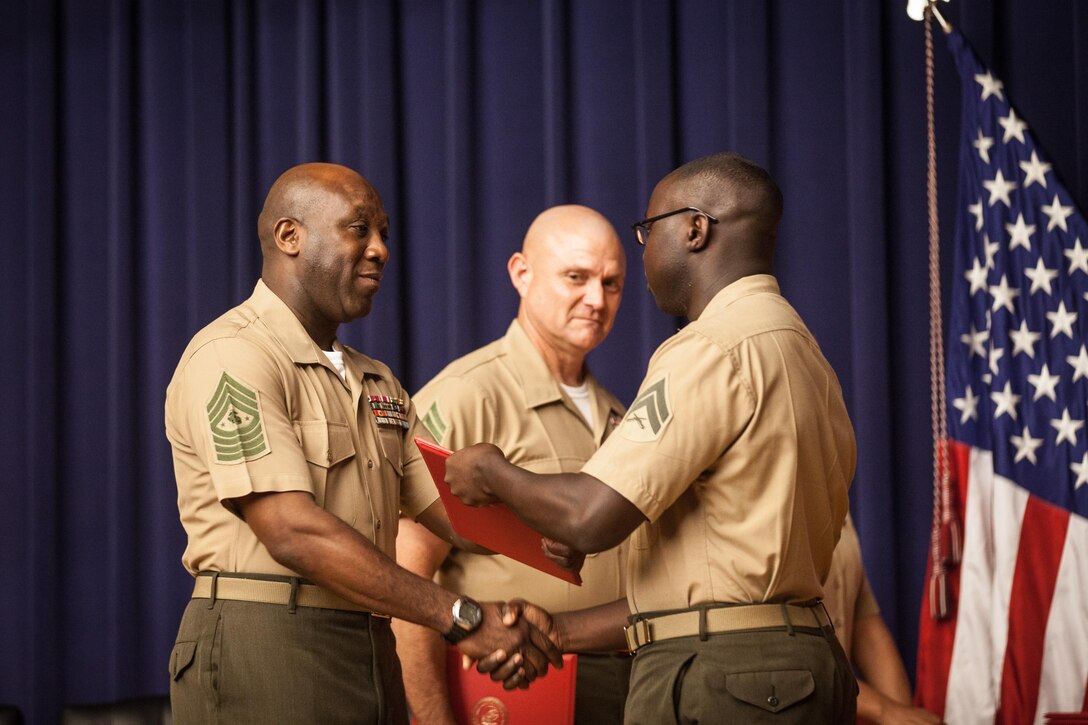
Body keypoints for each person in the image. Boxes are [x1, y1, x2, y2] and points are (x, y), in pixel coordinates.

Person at [444, 152, 859, 722]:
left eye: (647, 230)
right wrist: (560, 630)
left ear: (694, 228)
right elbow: (716, 571)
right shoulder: (808, 355)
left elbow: (591, 516)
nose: (642, 254)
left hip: (728, 677)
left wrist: (492, 473)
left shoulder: (712, 347)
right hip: (799, 664)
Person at [163, 162, 559, 724]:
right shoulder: (233, 355)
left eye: (385, 235)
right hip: (266, 640)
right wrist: (462, 616)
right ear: (289, 236)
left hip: (369, 647)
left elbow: (454, 510)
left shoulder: (376, 381)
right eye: (359, 229)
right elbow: (291, 531)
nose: (380, 250)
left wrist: (564, 535)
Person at [393, 205, 632, 724]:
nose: (597, 299)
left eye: (612, 283)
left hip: (623, 686)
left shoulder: (624, 415)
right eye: (577, 277)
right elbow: (405, 574)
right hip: (509, 686)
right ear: (521, 273)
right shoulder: (468, 395)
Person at [824, 515, 942, 724]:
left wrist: (904, 713)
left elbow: (866, 629)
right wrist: (885, 711)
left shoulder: (831, 495)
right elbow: (779, 655)